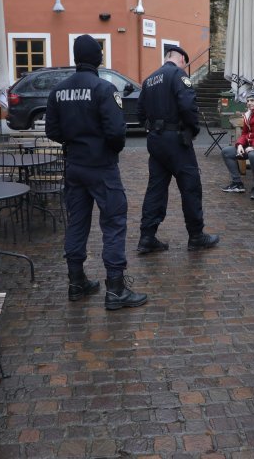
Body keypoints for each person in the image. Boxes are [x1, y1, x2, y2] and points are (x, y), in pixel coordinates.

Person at [45, 34, 147, 310]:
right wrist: (107, 148)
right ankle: (115, 289)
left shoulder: (58, 91)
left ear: (76, 57)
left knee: (77, 222)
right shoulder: (104, 89)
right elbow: (116, 132)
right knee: (113, 223)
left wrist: (75, 141)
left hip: (74, 165)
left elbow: (52, 131)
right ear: (97, 58)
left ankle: (76, 281)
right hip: (101, 166)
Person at [136, 44, 220, 254]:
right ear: (181, 59)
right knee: (190, 186)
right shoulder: (178, 76)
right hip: (176, 140)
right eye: (185, 62)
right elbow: (188, 105)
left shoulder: (149, 80)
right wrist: (192, 129)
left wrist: (153, 127)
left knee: (156, 188)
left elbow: (139, 113)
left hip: (156, 141)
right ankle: (196, 236)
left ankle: (147, 236)